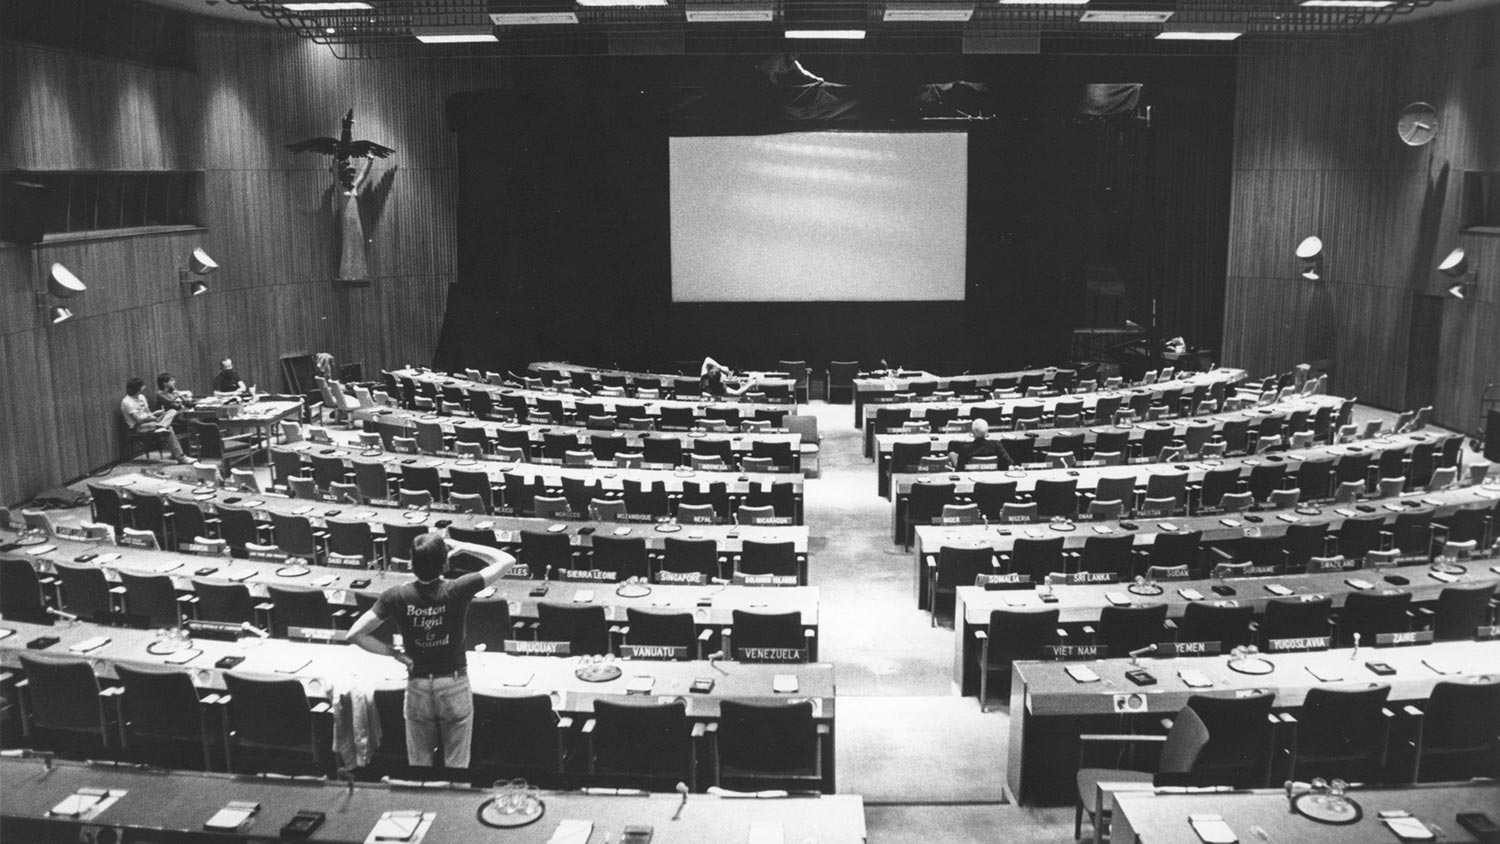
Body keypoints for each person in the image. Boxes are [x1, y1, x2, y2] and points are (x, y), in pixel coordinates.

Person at [346, 535, 515, 769]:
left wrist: (395, 654)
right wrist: (464, 546)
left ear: (412, 564)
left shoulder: (395, 595)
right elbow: (507, 560)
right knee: (457, 767)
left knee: (419, 769)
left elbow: (355, 634)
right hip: (454, 684)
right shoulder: (458, 588)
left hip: (418, 687)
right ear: (445, 563)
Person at [120, 376, 189, 462]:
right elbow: (138, 420)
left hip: (151, 421)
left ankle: (161, 426)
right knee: (169, 428)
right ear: (138, 388)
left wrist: (155, 414)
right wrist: (150, 417)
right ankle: (181, 458)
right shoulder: (127, 402)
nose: (144, 388)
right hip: (139, 426)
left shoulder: (141, 397)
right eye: (142, 386)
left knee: (172, 411)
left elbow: (148, 412)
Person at [947, 418, 1014, 471]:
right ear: (987, 432)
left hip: (971, 475)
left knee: (952, 454)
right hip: (992, 476)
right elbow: (1009, 462)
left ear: (972, 433)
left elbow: (960, 469)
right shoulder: (996, 445)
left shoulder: (965, 449)